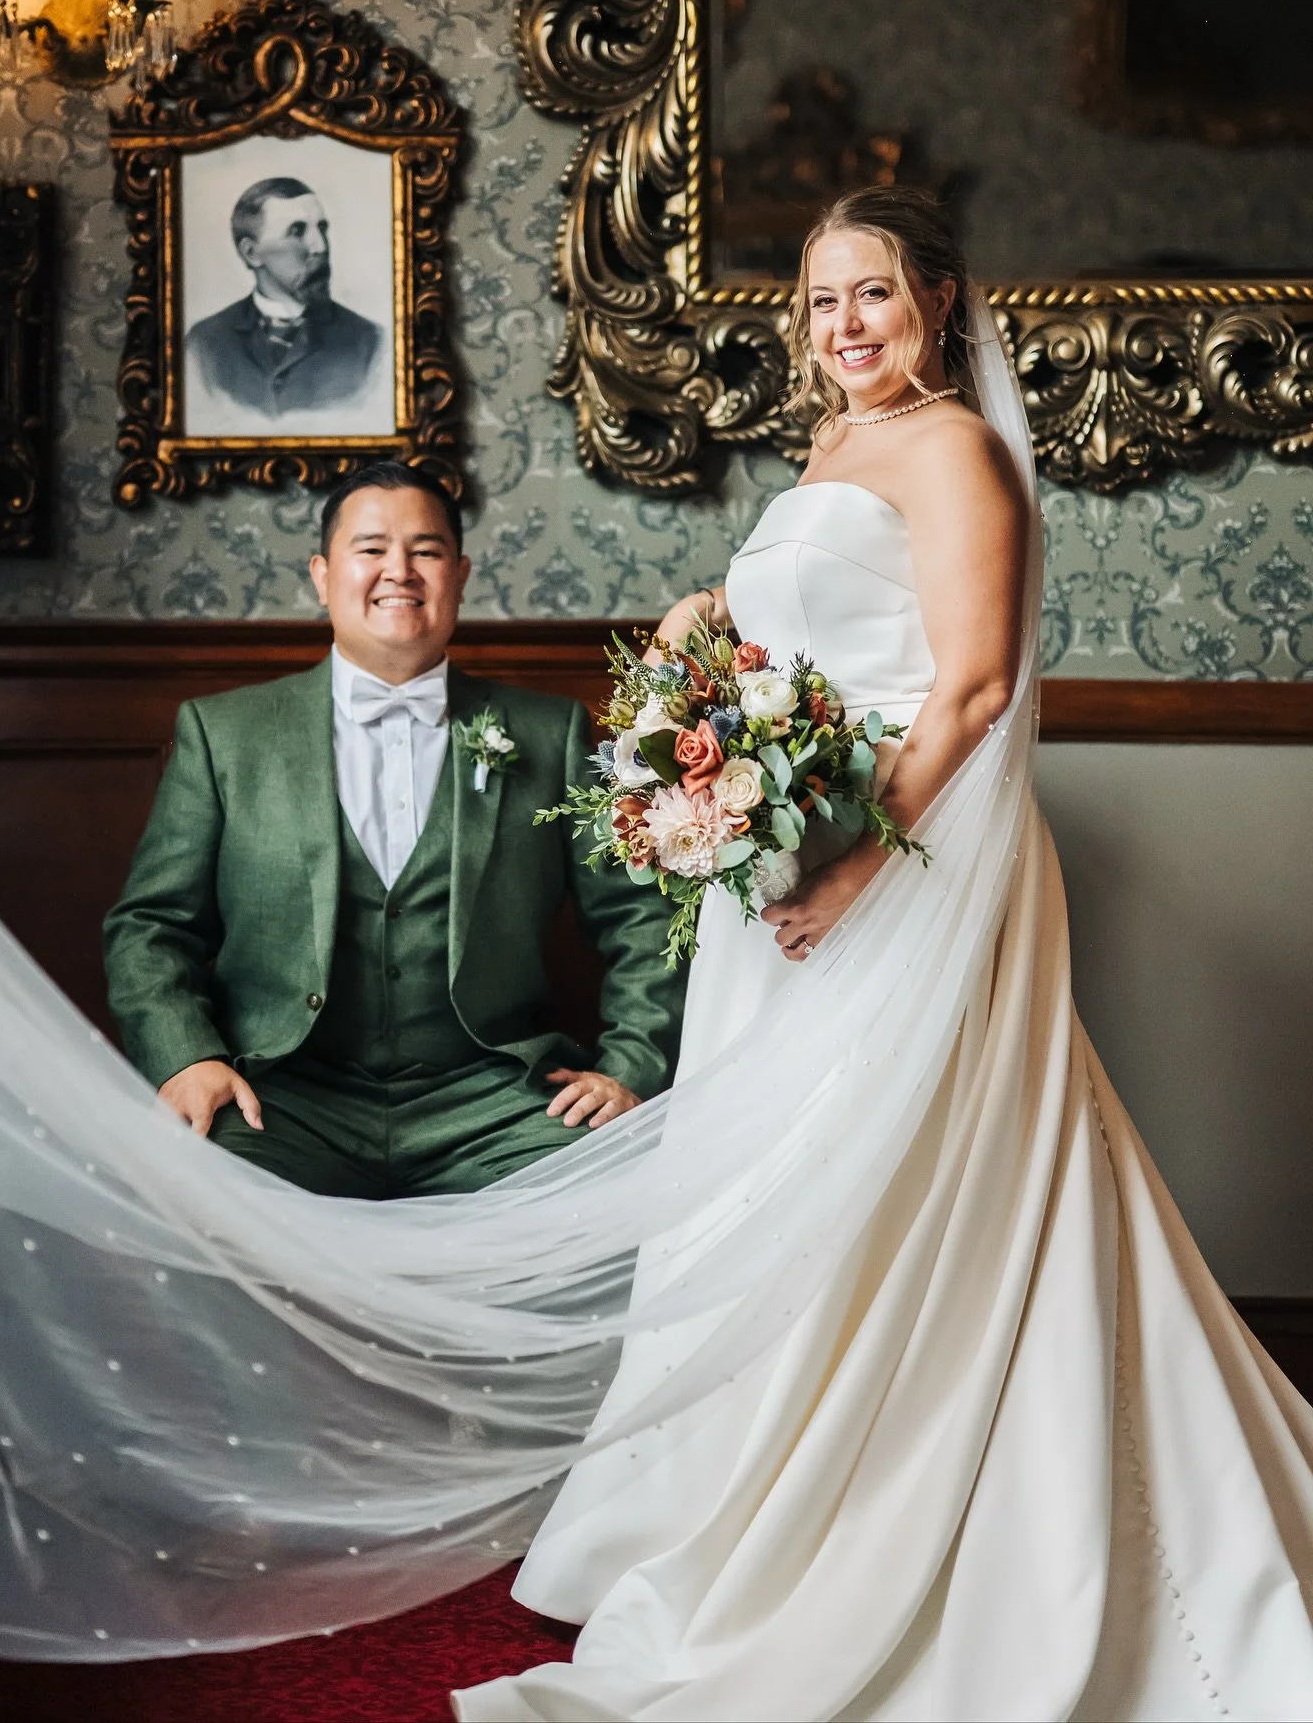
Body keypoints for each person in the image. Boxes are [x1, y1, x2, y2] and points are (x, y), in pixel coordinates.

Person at [452, 188, 1313, 1718]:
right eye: (821, 301)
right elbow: (824, 636)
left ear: (940, 303)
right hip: (788, 867)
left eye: (874, 294)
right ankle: (758, 1507)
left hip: (906, 869)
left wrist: (851, 871)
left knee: (918, 1186)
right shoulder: (833, 450)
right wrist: (709, 649)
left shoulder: (958, 449)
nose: (844, 325)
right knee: (775, 1193)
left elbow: (971, 686)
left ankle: (929, 1520)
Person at [103, 459, 687, 1196]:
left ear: (461, 574)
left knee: (603, 1187)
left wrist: (628, 1066)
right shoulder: (224, 734)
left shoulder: (550, 732)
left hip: (490, 1102)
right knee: (198, 1184)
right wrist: (188, 1057)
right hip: (282, 1098)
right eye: (372, 549)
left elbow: (643, 917)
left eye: (428, 551)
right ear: (322, 574)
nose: (400, 571)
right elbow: (150, 925)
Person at [184, 176, 382, 427]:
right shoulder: (203, 344)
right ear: (252, 253)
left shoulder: (370, 343)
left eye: (321, 228)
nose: (319, 247)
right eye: (297, 231)